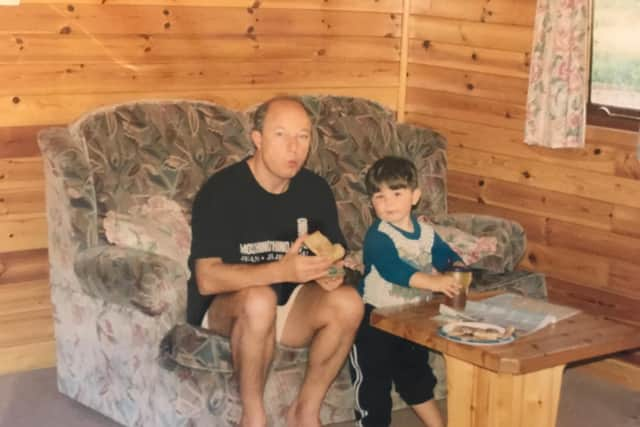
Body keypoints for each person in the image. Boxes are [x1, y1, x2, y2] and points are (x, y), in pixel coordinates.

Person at [186, 95, 364, 427]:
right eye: (281, 135)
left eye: (303, 136)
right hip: (227, 309)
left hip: (291, 305)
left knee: (349, 303)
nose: (294, 148)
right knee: (260, 299)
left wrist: (331, 272)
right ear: (258, 139)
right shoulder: (221, 191)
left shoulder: (315, 190)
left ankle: (305, 411)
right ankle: (253, 416)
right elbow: (207, 279)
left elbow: (335, 255)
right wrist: (281, 269)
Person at [349, 156, 462, 427]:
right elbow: (393, 269)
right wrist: (433, 282)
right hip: (375, 321)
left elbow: (445, 255)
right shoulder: (377, 236)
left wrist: (456, 267)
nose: (387, 203)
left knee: (416, 377)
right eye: (379, 197)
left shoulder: (426, 233)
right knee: (373, 387)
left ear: (415, 196)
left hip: (410, 322)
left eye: (396, 194)